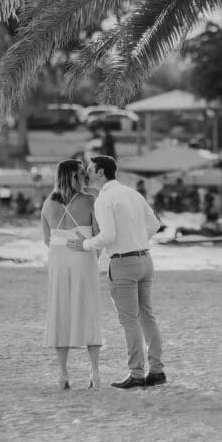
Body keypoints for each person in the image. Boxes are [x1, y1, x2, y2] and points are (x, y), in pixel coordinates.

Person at [69, 155, 165, 389]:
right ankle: (157, 370)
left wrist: (85, 244)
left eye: (90, 169)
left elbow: (108, 236)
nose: (87, 173)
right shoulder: (132, 193)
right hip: (145, 259)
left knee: (130, 321)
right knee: (147, 316)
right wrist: (137, 240)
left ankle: (137, 373)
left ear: (101, 172)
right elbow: (155, 224)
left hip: (123, 263)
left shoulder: (104, 199)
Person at [41, 160, 102, 390]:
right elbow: (98, 235)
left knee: (60, 311)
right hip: (82, 258)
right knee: (88, 310)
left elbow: (47, 240)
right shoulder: (89, 201)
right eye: (82, 175)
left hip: (58, 260)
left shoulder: (48, 204)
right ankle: (94, 372)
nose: (85, 178)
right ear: (74, 177)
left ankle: (63, 374)